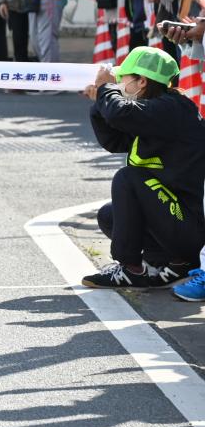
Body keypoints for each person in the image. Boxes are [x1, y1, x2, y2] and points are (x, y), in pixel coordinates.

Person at [81, 49, 205, 289]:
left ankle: (131, 269)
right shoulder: (151, 110)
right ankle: (172, 265)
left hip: (189, 227)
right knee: (110, 216)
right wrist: (99, 104)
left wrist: (106, 90)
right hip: (172, 220)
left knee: (128, 178)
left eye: (123, 80)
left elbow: (120, 113)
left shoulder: (173, 109)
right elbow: (115, 141)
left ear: (142, 81)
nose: (120, 85)